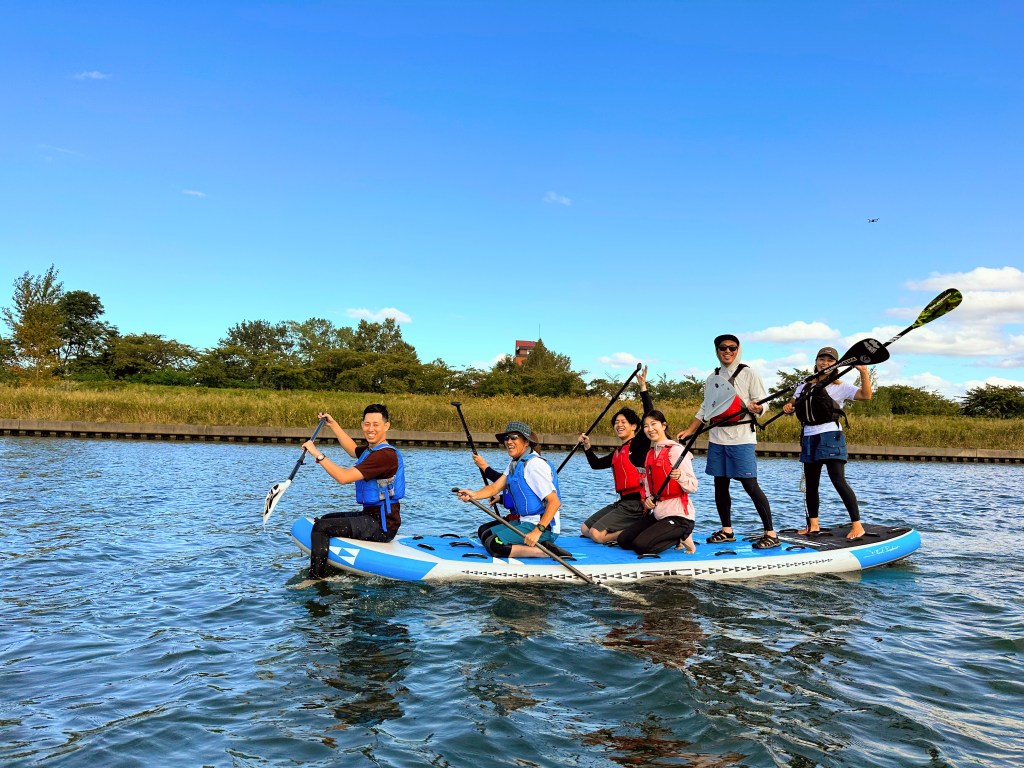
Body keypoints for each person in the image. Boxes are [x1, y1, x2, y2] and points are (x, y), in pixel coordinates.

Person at [677, 334, 780, 549]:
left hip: (742, 437)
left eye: (732, 348)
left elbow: (763, 402)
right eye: (723, 348)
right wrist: (689, 430)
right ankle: (727, 530)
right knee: (720, 485)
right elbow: (705, 409)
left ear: (738, 350)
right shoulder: (712, 377)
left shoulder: (749, 373)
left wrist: (758, 407)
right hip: (717, 437)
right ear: (717, 351)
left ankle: (771, 533)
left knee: (750, 484)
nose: (727, 352)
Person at [301, 404, 405, 579]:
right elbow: (352, 450)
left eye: (376, 424)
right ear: (362, 424)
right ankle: (334, 564)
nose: (370, 429)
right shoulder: (373, 450)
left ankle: (315, 579)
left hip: (382, 526)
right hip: (372, 517)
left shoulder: (384, 456)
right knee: (326, 519)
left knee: (321, 527)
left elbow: (343, 477)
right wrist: (333, 425)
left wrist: (317, 454)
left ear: (386, 426)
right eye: (366, 424)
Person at [782, 347, 874, 539]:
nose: (824, 363)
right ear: (816, 361)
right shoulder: (804, 384)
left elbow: (866, 396)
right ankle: (813, 525)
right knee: (811, 484)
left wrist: (863, 372)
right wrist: (789, 407)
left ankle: (857, 526)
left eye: (830, 361)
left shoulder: (841, 386)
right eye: (821, 359)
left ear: (836, 364)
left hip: (830, 435)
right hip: (809, 435)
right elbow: (792, 404)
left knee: (838, 480)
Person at [456, 420, 561, 559]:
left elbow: (554, 502)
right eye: (506, 438)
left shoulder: (535, 465)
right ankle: (525, 546)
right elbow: (495, 487)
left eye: (514, 437)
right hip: (525, 520)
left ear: (526, 442)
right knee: (484, 533)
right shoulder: (515, 463)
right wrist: (473, 495)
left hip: (544, 527)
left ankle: (546, 552)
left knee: (494, 544)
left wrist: (537, 531)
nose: (508, 442)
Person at [578, 365, 655, 543]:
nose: (619, 425)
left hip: (637, 505)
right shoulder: (618, 452)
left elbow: (649, 415)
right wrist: (587, 446)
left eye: (624, 422)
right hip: (622, 503)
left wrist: (643, 389)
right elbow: (595, 465)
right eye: (616, 422)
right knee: (584, 528)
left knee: (597, 535)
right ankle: (627, 529)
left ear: (634, 426)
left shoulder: (640, 443)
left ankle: (637, 530)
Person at [618, 410, 698, 555]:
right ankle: (672, 535)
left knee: (641, 546)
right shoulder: (650, 453)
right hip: (659, 514)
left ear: (664, 426)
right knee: (624, 540)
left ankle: (682, 535)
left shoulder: (676, 451)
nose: (650, 429)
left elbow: (693, 486)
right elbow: (648, 485)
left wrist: (680, 476)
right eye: (646, 426)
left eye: (653, 424)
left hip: (679, 517)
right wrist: (648, 499)